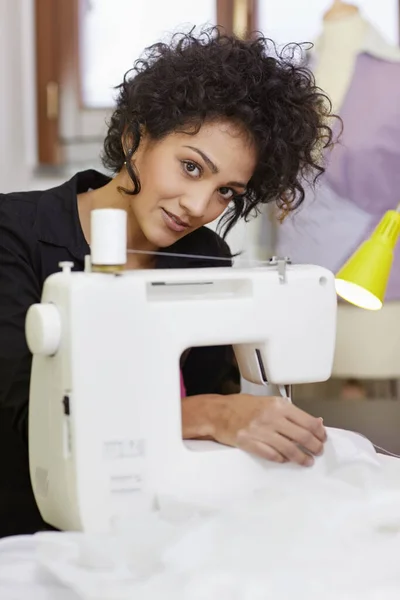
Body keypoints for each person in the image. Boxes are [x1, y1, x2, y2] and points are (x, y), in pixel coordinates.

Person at [0, 27, 335, 537]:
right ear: (136, 138)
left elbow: (211, 415)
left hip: (153, 525)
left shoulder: (204, 257)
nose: (199, 207)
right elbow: (33, 419)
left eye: (226, 191)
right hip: (28, 530)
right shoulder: (12, 235)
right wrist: (210, 414)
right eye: (190, 167)